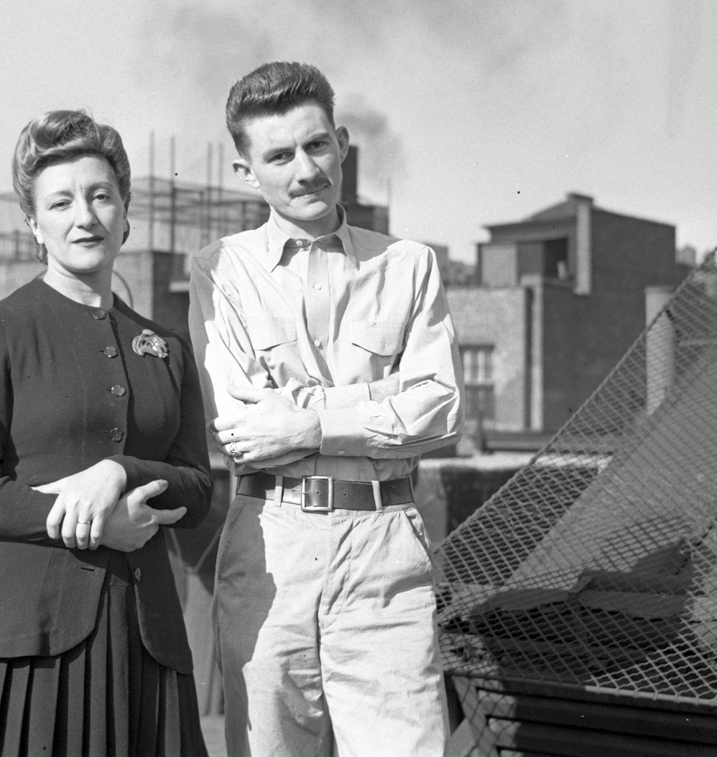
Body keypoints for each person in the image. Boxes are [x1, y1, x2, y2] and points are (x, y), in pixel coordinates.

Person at [188, 62, 463, 757]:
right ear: (247, 170)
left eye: (316, 146)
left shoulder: (409, 265)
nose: (305, 169)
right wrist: (377, 402)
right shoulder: (219, 268)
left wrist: (308, 420)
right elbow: (241, 429)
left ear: (341, 143)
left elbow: (439, 407)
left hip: (385, 547)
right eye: (279, 155)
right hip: (270, 544)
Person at [0, 110, 212, 757]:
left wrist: (120, 472)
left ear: (125, 211)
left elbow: (197, 489)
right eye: (61, 202)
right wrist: (92, 521)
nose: (85, 216)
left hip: (144, 633)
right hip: (24, 636)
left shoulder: (164, 346)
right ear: (35, 225)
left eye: (100, 195)